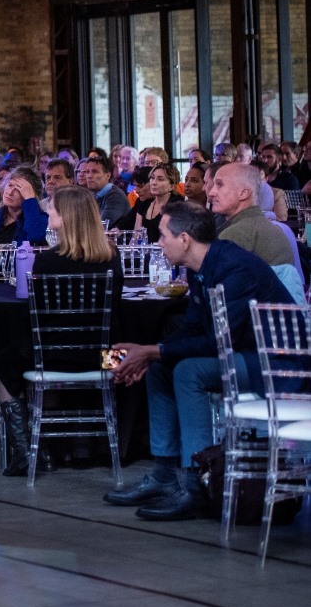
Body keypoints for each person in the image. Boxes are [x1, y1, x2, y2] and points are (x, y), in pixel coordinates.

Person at [103, 202, 292, 521]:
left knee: (188, 371)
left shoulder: (233, 269)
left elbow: (222, 340)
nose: (159, 242)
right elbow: (192, 328)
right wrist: (151, 353)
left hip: (272, 365)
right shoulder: (198, 268)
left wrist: (149, 351)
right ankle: (164, 476)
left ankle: (198, 486)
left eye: (163, 236)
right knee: (162, 367)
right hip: (240, 356)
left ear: (185, 239)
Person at [0, 187, 123, 476]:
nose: (48, 213)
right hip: (106, 355)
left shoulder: (48, 261)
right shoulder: (112, 258)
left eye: (52, 210)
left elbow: (35, 315)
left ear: (65, 217)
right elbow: (117, 309)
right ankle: (96, 446)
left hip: (52, 356)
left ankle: (27, 451)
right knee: (131, 354)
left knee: (4, 362)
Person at [208, 162, 300, 293]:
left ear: (243, 193)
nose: (211, 193)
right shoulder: (267, 227)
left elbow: (217, 291)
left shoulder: (235, 234)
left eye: (220, 185)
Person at [119, 162, 179, 242]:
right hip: (145, 252)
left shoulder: (178, 204)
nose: (154, 182)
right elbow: (136, 238)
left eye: (160, 179)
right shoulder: (144, 202)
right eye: (152, 178)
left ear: (172, 186)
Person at [79, 154, 131, 226]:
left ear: (107, 176)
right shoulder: (92, 194)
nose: (89, 176)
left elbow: (101, 226)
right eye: (87, 172)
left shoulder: (115, 196)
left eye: (95, 172)